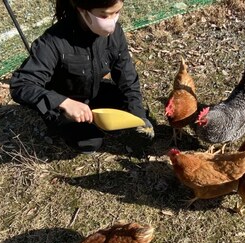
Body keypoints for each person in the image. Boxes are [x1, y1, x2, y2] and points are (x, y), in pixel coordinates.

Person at [10, 0, 154, 153]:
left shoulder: (115, 33)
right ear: (82, 11)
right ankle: (62, 123)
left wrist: (137, 115)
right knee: (89, 142)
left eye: (117, 13)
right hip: (63, 103)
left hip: (93, 90)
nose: (112, 21)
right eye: (104, 16)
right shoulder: (53, 41)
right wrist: (63, 102)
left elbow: (127, 76)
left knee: (132, 108)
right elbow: (21, 84)